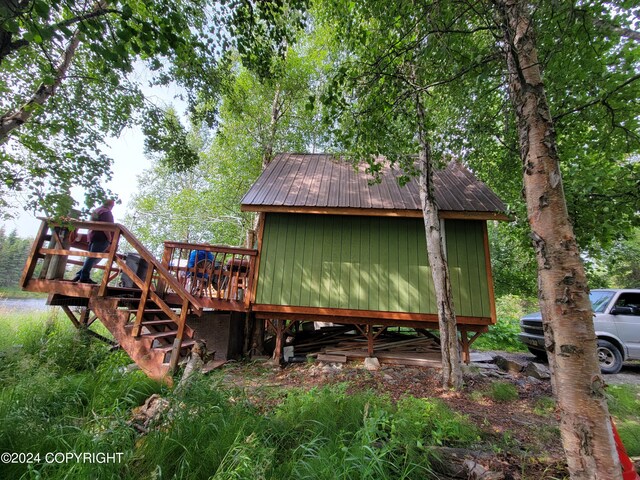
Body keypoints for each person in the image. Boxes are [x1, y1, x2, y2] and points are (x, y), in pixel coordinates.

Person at [72, 199, 115, 284]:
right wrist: (109, 238)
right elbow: (105, 226)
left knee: (93, 257)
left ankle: (80, 274)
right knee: (93, 258)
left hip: (92, 236)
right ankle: (84, 277)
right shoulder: (106, 212)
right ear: (111, 205)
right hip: (101, 238)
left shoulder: (97, 210)